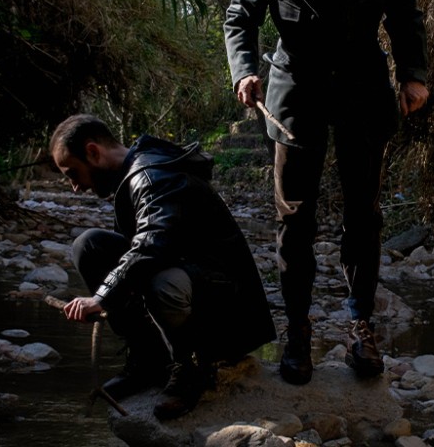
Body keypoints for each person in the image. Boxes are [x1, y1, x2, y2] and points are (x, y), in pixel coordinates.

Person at [223, 0, 429, 385]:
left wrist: (414, 75)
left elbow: (403, 13)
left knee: (363, 212)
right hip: (296, 85)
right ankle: (297, 331)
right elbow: (240, 17)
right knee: (295, 215)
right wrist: (245, 71)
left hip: (363, 83)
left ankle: (362, 325)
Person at [50, 114, 276, 419]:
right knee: (89, 246)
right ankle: (148, 362)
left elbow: (153, 243)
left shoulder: (151, 175)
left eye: (72, 173)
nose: (75, 186)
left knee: (162, 281)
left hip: (229, 309)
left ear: (93, 152)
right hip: (193, 279)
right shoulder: (134, 172)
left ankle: (191, 368)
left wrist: (100, 297)